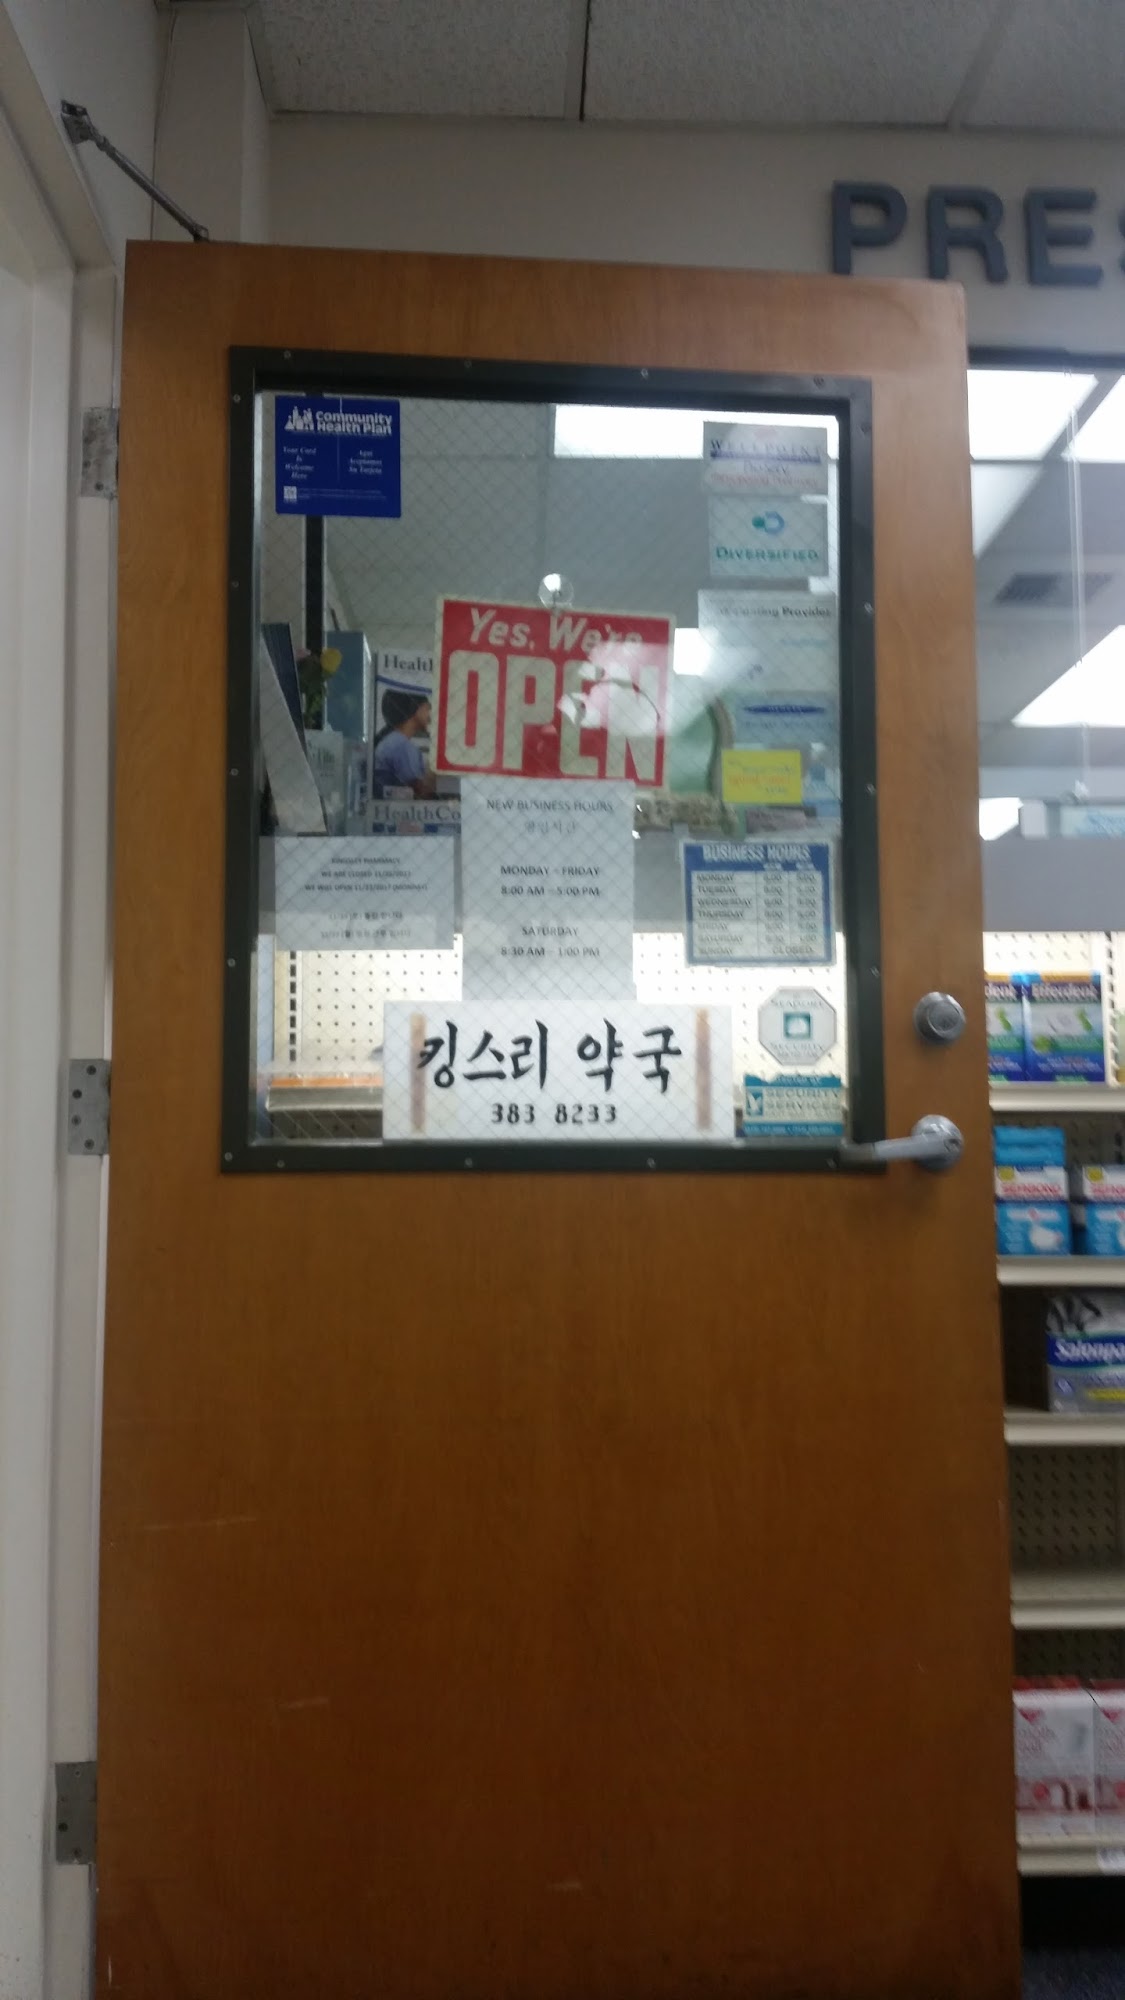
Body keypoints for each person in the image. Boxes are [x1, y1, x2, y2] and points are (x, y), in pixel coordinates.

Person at [371, 690, 436, 798]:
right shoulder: (402, 746)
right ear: (415, 709)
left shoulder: (391, 740)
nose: (431, 713)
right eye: (428, 707)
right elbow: (420, 792)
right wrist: (435, 770)